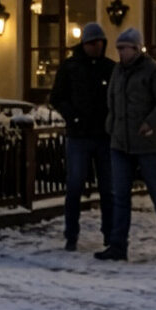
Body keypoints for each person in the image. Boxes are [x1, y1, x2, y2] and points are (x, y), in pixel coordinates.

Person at [100, 27, 156, 261]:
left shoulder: (154, 71)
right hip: (120, 142)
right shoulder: (118, 71)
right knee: (120, 196)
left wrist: (150, 123)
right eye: (118, 49)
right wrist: (111, 126)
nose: (120, 53)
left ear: (136, 48)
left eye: (124, 48)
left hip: (147, 143)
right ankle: (118, 245)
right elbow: (111, 100)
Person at [49, 22, 117, 253]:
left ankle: (109, 233)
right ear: (85, 44)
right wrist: (73, 117)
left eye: (99, 43)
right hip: (79, 135)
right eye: (92, 43)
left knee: (108, 188)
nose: (97, 47)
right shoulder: (71, 67)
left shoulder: (109, 68)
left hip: (104, 135)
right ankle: (71, 234)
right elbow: (57, 97)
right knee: (75, 186)